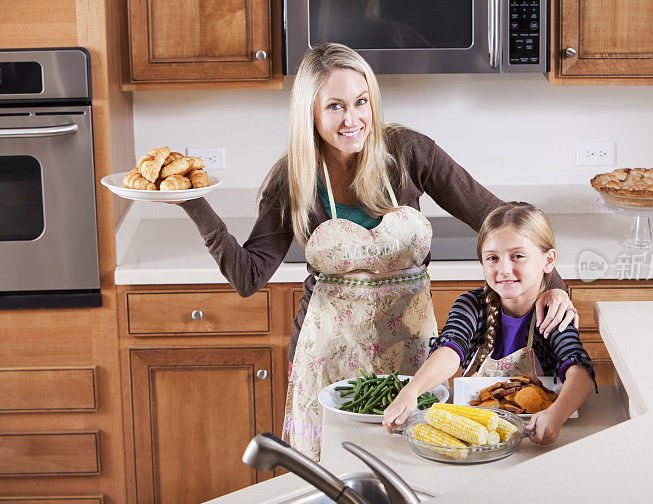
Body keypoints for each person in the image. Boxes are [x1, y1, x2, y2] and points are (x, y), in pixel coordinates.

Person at [178, 43, 578, 460]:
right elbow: (249, 276)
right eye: (335, 106)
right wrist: (193, 201)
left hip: (413, 353)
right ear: (310, 113)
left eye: (361, 102)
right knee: (334, 481)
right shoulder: (292, 178)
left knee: (411, 472)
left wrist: (553, 285)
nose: (353, 120)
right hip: (328, 357)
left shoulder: (408, 153)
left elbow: (500, 220)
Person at [382, 202, 596, 445]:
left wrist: (555, 415)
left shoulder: (553, 312)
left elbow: (581, 374)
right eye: (493, 258)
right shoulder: (472, 305)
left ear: (548, 261)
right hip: (481, 434)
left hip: (538, 429)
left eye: (517, 256)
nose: (504, 269)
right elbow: (450, 350)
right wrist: (411, 391)